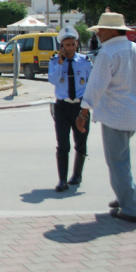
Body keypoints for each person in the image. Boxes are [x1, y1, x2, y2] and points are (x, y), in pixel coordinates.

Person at [76, 12, 136, 224]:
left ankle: (131, 208)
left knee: (118, 163)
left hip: (115, 115)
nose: (98, 33)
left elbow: (96, 86)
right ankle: (122, 196)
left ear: (113, 31)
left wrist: (83, 113)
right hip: (134, 113)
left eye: (101, 29)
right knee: (122, 159)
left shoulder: (108, 52)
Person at [48, 27, 92, 191]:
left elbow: (91, 83)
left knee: (81, 142)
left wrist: (88, 105)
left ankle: (77, 175)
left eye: (73, 44)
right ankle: (62, 180)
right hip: (62, 106)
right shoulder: (54, 61)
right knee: (63, 144)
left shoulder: (85, 61)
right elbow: (53, 80)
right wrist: (60, 63)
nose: (71, 48)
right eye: (67, 45)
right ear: (62, 46)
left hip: (81, 106)